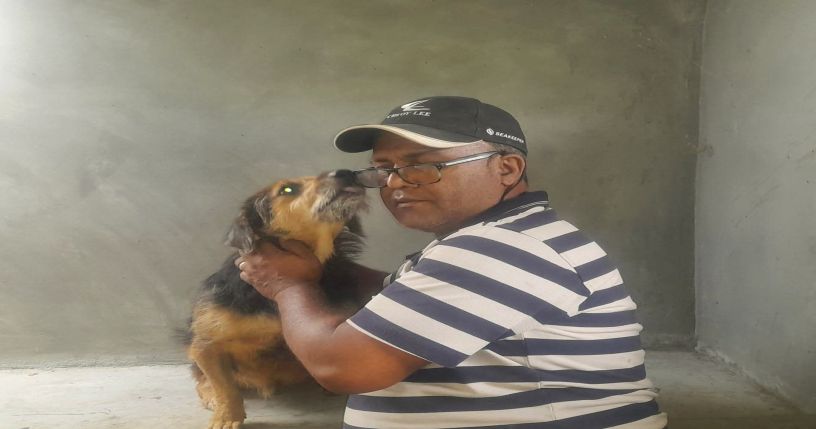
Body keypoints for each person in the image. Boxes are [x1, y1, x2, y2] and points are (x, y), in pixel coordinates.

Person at [235, 96, 668, 428]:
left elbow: (339, 367)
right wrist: (323, 269)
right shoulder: (508, 237)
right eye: (384, 169)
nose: (395, 184)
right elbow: (407, 300)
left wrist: (289, 286)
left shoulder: (501, 249)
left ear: (507, 168)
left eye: (423, 166)